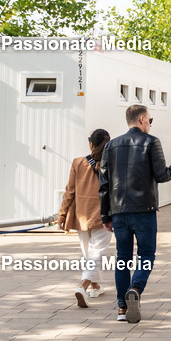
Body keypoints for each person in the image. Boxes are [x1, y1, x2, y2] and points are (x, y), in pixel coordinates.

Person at [99, 105, 171, 323]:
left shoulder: (110, 146)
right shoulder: (151, 142)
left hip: (119, 211)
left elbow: (104, 184)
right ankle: (136, 287)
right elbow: (162, 175)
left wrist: (105, 215)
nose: (150, 124)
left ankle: (122, 309)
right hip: (144, 210)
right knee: (146, 254)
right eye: (150, 120)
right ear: (142, 119)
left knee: (122, 259)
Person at [59, 129, 112, 308]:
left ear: (91, 144)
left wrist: (62, 214)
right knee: (95, 254)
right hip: (104, 215)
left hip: (82, 216)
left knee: (89, 254)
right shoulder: (112, 163)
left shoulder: (78, 163)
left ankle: (95, 286)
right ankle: (84, 285)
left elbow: (70, 191)